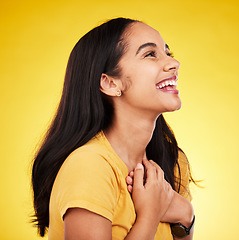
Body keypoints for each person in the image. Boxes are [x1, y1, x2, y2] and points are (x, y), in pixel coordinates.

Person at [31, 17, 195, 240]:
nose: (173, 63)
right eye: (150, 54)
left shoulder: (172, 161)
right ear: (110, 83)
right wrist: (150, 214)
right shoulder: (89, 166)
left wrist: (186, 216)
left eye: (168, 53)